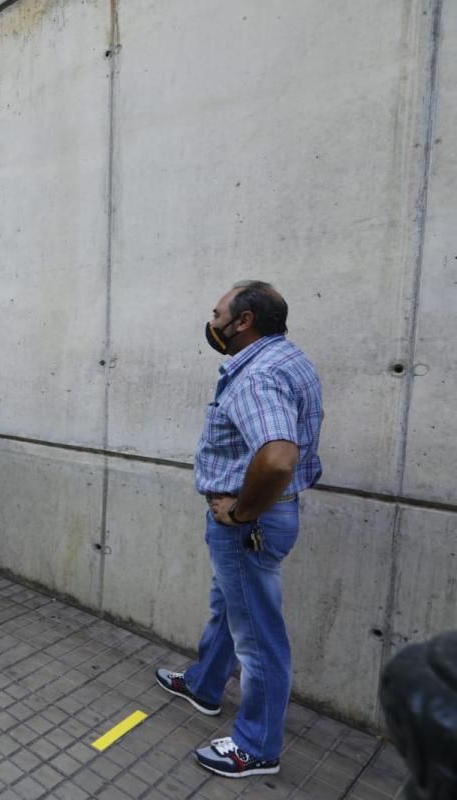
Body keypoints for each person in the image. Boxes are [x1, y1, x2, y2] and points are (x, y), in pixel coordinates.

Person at [155, 281, 323, 779]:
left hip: (250, 524)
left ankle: (256, 747)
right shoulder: (289, 359)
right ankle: (206, 685)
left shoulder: (258, 375)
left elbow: (277, 457)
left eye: (218, 313)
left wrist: (241, 513)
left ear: (243, 321)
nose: (213, 322)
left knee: (258, 636)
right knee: (230, 606)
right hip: (268, 518)